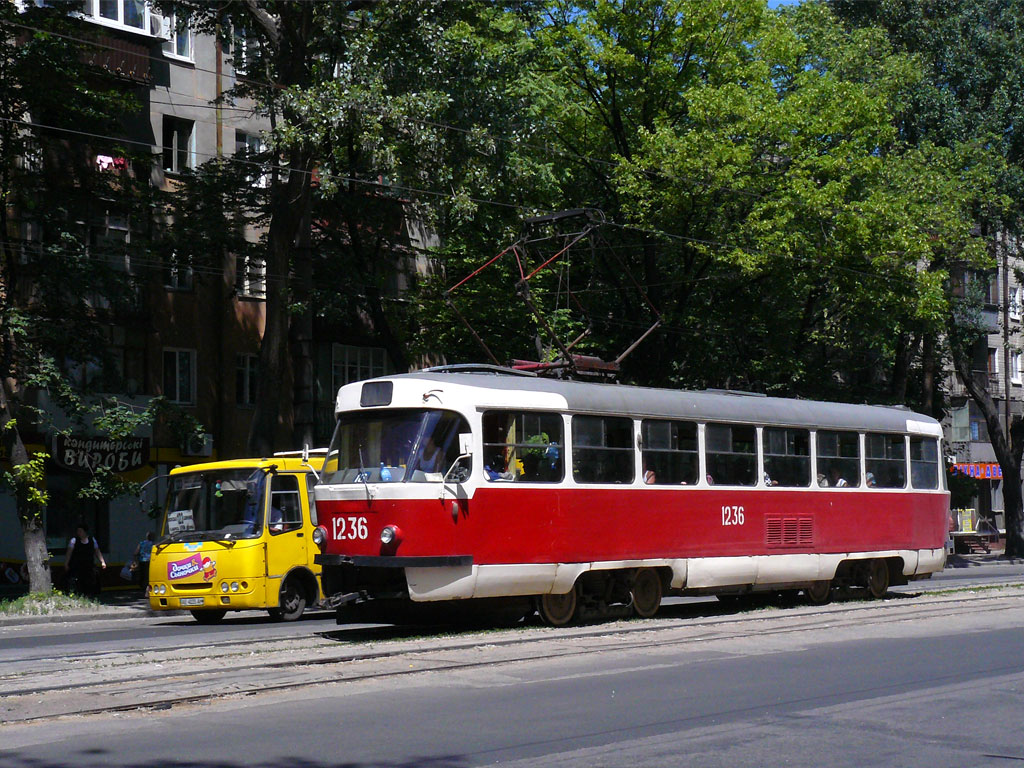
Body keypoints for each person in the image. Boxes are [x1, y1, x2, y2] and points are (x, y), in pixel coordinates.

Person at [66, 525, 106, 597]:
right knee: (78, 581)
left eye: (80, 531)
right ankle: (79, 595)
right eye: (78, 531)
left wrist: (102, 561)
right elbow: (69, 553)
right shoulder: (74, 540)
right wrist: (66, 563)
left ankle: (89, 595)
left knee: (90, 580)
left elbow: (97, 551)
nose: (78, 533)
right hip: (77, 565)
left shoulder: (92, 540)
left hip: (89, 565)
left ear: (85, 532)